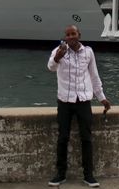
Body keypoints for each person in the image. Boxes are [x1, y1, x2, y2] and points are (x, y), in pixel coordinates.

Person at [47, 25, 112, 187]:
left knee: (87, 138)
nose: (70, 37)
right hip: (64, 101)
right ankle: (60, 174)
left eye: (73, 34)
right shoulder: (58, 51)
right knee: (63, 138)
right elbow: (50, 67)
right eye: (68, 34)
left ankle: (88, 175)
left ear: (79, 35)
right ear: (65, 37)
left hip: (83, 101)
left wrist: (102, 98)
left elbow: (94, 76)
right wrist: (57, 57)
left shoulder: (88, 52)